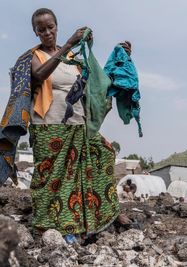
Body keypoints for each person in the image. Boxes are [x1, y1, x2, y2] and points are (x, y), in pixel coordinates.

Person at [28, 8, 131, 236]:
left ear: (56, 26)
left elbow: (96, 83)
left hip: (77, 124)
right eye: (41, 29)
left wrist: (120, 59)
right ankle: (49, 226)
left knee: (103, 153)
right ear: (35, 32)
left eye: (50, 27)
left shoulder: (74, 60)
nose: (47, 32)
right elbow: (39, 76)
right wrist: (68, 44)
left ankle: (103, 214)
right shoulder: (36, 56)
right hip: (48, 126)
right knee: (52, 179)